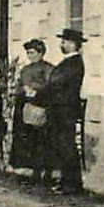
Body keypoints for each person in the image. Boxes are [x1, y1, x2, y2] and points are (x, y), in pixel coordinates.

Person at [33, 27, 86, 194]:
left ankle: (72, 184)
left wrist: (37, 93)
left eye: (64, 41)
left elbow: (56, 84)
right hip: (59, 109)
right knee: (61, 145)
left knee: (66, 146)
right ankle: (67, 182)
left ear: (72, 44)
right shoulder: (68, 62)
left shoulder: (74, 63)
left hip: (65, 110)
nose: (61, 44)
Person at [10, 39, 53, 178]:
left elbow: (50, 86)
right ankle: (22, 163)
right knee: (22, 132)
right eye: (28, 53)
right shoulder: (25, 69)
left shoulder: (48, 68)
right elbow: (19, 84)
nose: (30, 56)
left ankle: (38, 166)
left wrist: (35, 89)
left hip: (40, 103)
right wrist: (21, 89)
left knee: (37, 135)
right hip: (24, 102)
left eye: (33, 52)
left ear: (41, 53)